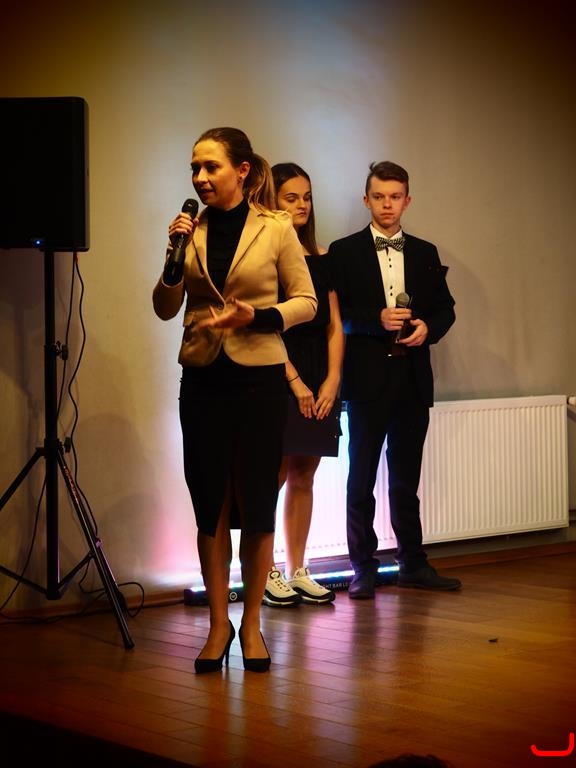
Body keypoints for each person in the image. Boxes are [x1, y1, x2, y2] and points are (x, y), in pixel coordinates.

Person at [152, 128, 317, 672]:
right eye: (194, 168)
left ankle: (252, 626)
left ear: (242, 170)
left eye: (211, 167)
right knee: (210, 503)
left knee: (257, 502)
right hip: (202, 380)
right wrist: (172, 257)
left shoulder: (275, 228)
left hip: (258, 383)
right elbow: (164, 307)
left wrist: (260, 317)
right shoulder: (189, 230)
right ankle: (218, 624)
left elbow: (307, 302)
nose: (200, 178)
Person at [327, 161, 462, 599]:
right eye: (380, 196)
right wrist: (376, 319)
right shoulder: (343, 251)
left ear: (408, 200)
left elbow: (445, 309)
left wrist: (428, 328)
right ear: (366, 200)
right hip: (367, 379)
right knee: (361, 479)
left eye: (395, 196)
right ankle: (362, 568)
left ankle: (413, 564)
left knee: (406, 479)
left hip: (412, 378)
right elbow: (335, 317)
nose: (387, 204)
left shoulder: (425, 251)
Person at [262, 163, 344, 608]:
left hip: (318, 374)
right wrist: (295, 383)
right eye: (291, 197)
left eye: (306, 197)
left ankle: (298, 570)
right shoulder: (266, 256)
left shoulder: (322, 257)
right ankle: (265, 570)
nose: (302, 205)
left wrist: (332, 380)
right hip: (278, 373)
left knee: (305, 474)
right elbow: (266, 331)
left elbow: (334, 325)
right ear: (271, 201)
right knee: (271, 475)